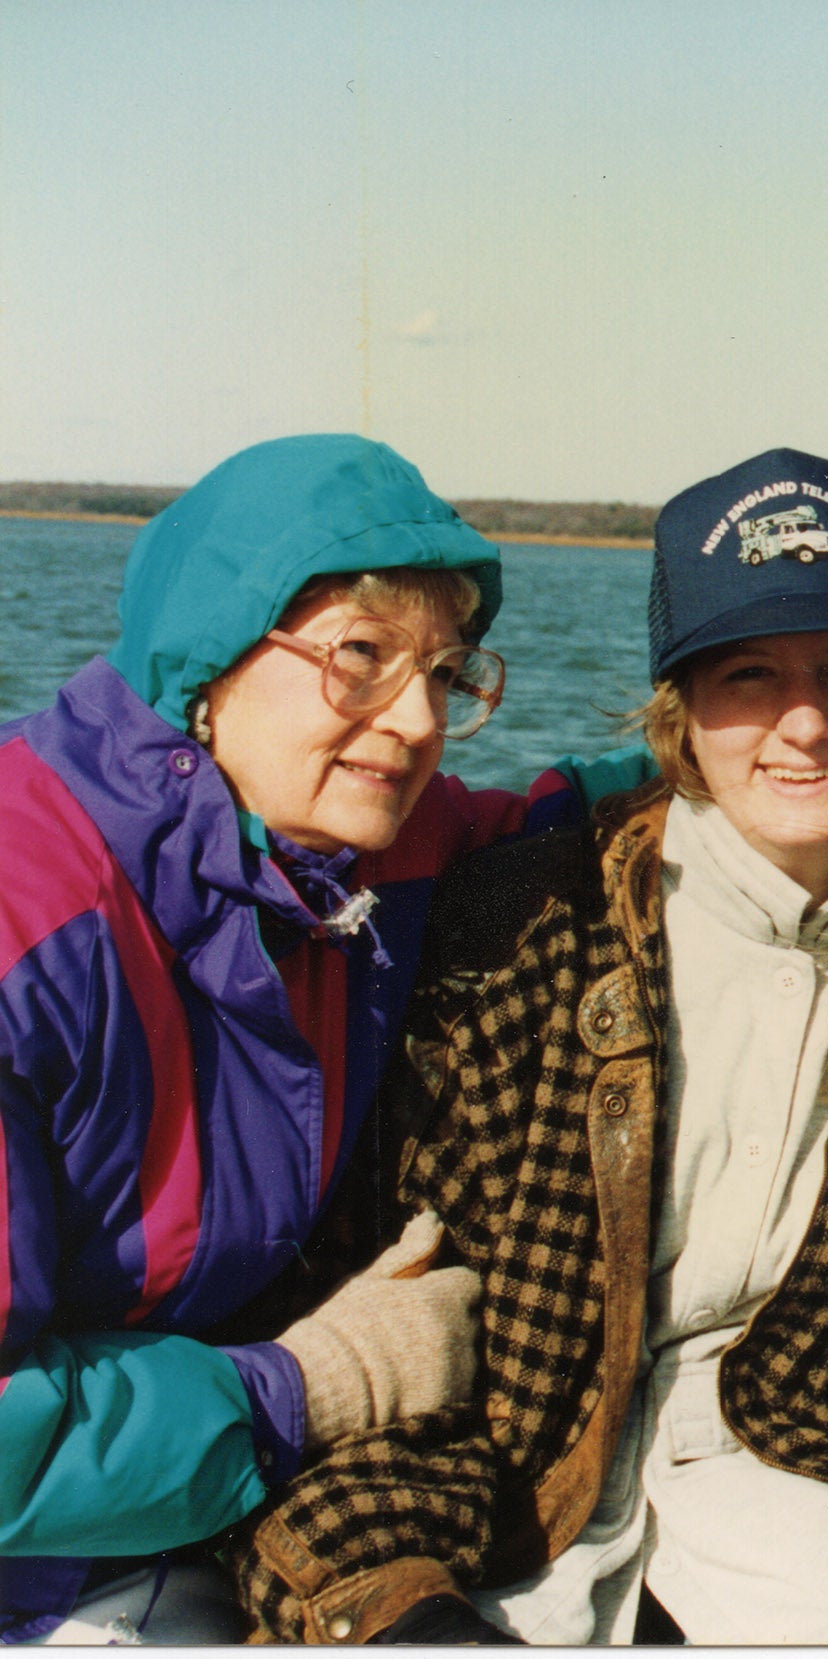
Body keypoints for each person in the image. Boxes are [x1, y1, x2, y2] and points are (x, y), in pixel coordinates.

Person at [236, 449, 828, 1646]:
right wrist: (401, 1607)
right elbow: (368, 1314)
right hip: (500, 1521)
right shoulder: (518, 934)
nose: (805, 724)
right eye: (750, 674)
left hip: (817, 1509)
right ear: (679, 708)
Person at [0, 435, 585, 1643]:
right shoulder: (29, 927)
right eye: (361, 659)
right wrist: (304, 1389)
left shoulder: (350, 850)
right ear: (207, 658)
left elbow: (575, 809)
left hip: (163, 1527)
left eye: (448, 669)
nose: (416, 721)